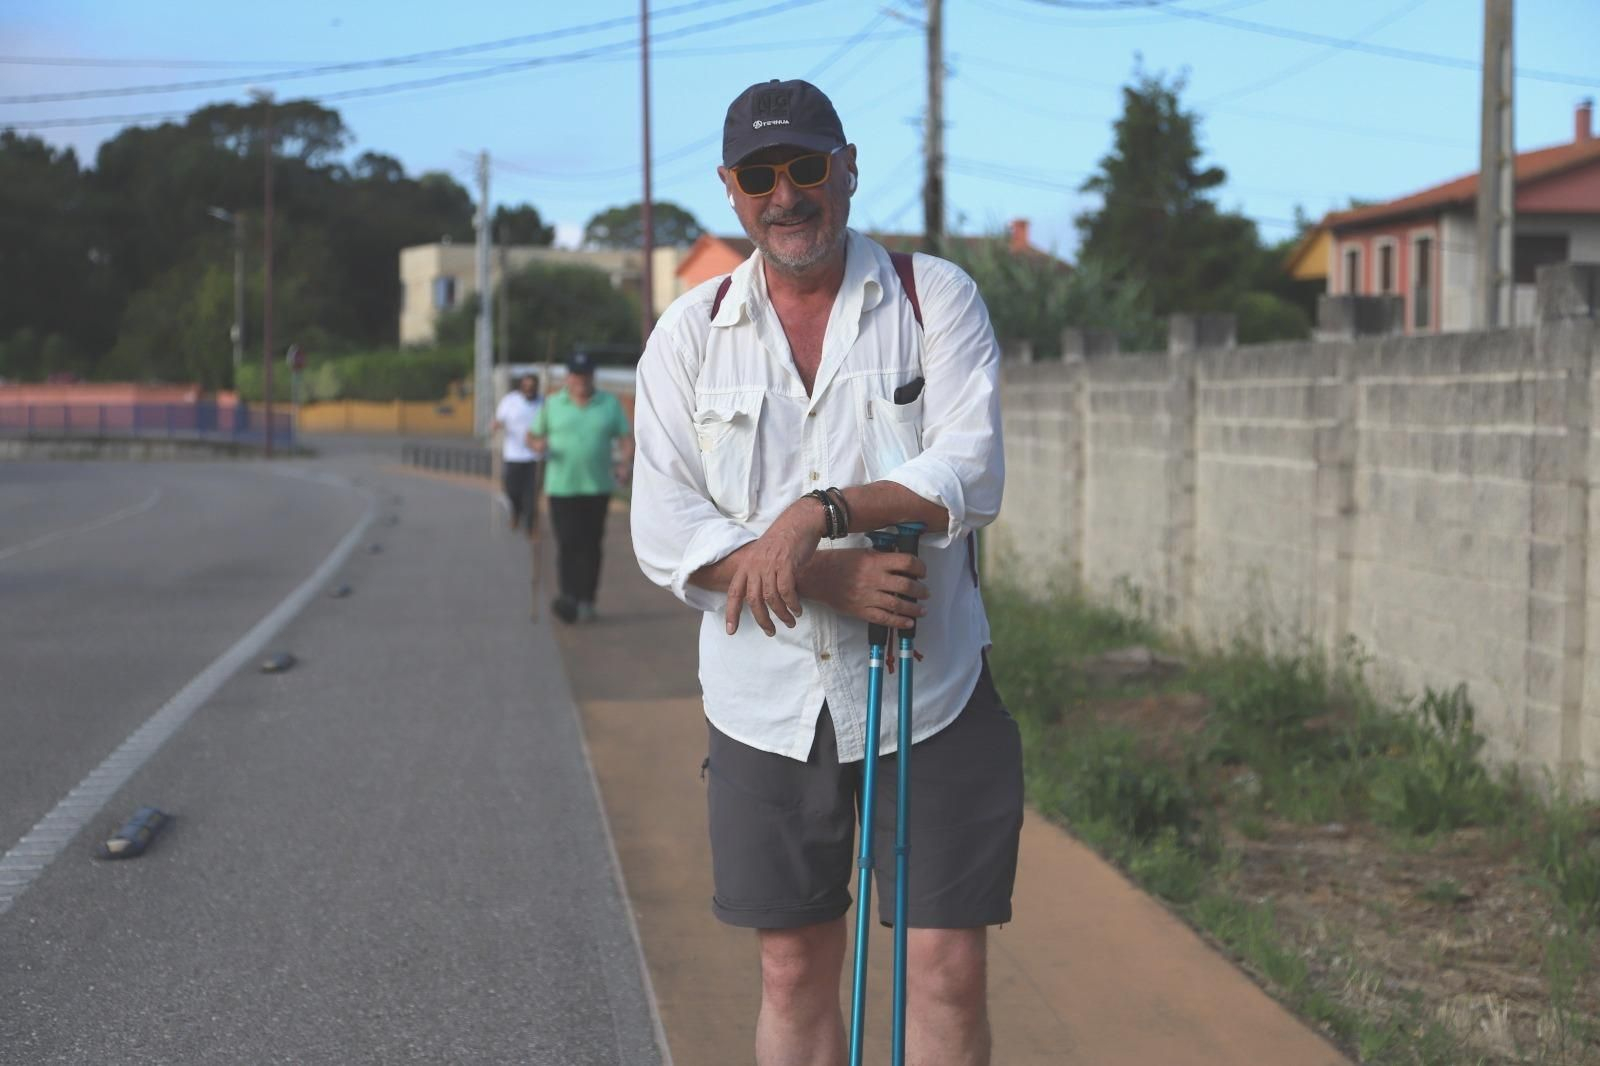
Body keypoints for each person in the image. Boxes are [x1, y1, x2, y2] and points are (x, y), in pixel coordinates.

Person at [630, 78, 1019, 1066]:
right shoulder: (687, 333)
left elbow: (969, 472)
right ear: (730, 188)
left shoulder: (933, 297)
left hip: (930, 686)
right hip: (763, 700)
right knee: (793, 969)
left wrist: (819, 515)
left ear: (847, 168)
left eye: (806, 166)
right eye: (761, 175)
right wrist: (824, 578)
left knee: (945, 968)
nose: (786, 193)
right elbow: (665, 526)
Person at [530, 351, 634, 624]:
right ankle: (569, 598)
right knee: (567, 543)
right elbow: (532, 435)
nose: (580, 380)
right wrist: (537, 445)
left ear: (592, 376)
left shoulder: (608, 404)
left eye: (585, 374)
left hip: (597, 487)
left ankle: (587, 599)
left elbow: (625, 438)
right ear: (568, 377)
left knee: (591, 545)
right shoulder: (552, 404)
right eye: (576, 374)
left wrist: (625, 464)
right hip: (561, 487)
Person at [491, 374, 544, 536]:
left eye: (532, 387)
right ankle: (516, 511)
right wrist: (496, 425)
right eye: (525, 387)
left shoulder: (544, 403)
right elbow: (499, 419)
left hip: (535, 457)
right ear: (521, 387)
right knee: (512, 490)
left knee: (532, 493)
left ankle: (530, 526)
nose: (529, 390)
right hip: (513, 455)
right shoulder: (510, 401)